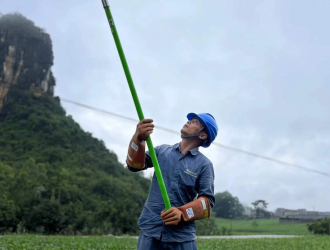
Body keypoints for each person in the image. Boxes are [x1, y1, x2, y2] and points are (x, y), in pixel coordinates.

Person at [126, 113, 218, 250]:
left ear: (203, 135)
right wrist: (138, 138)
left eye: (195, 122)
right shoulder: (162, 151)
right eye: (189, 120)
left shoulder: (204, 165)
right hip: (150, 231)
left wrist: (182, 213)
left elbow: (206, 203)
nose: (188, 122)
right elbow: (134, 165)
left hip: (182, 238)